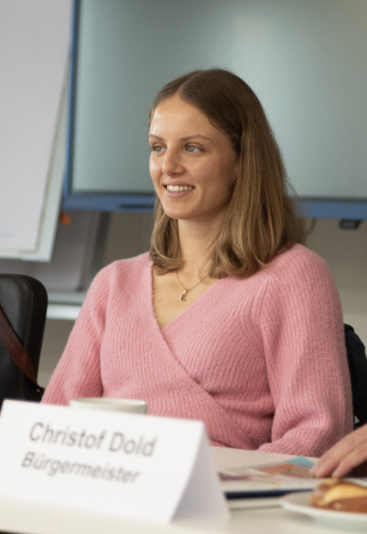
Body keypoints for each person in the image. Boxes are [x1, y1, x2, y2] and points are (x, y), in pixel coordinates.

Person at [42, 69, 351, 457]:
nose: (167, 166)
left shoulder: (293, 277)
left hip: (219, 504)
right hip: (105, 494)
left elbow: (316, 434)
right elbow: (54, 422)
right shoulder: (113, 283)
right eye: (157, 147)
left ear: (242, 161)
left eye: (192, 148)